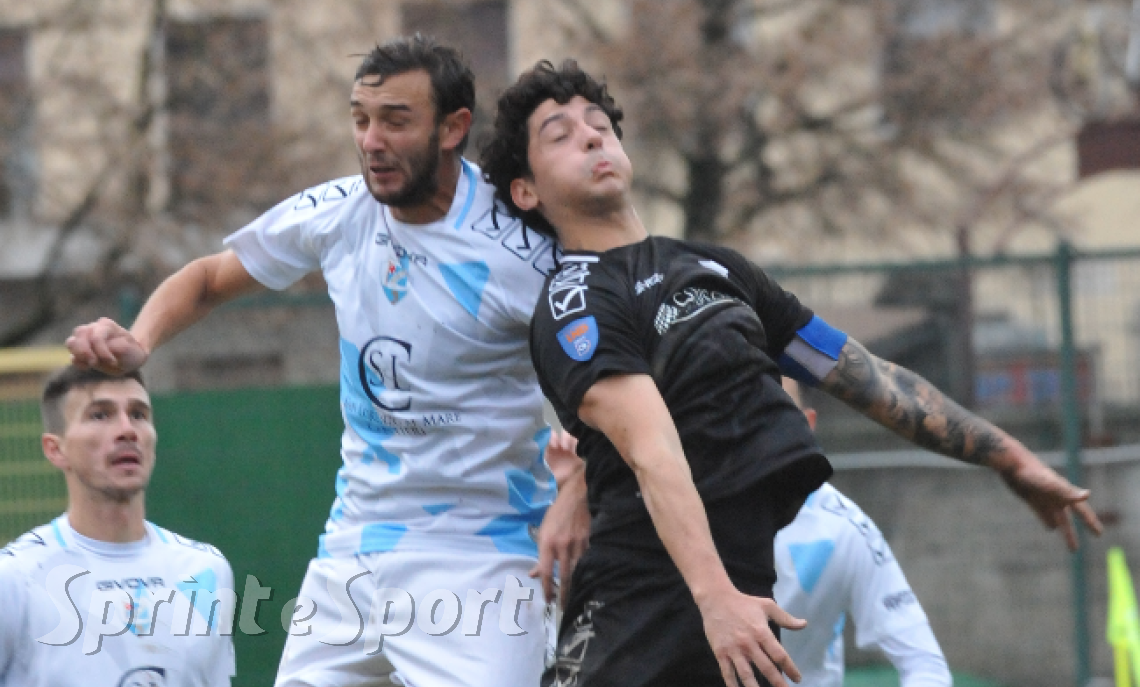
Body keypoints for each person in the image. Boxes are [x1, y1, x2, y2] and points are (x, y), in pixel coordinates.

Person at [480, 59, 1102, 687]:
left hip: (739, 602)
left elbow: (865, 376)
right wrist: (714, 598)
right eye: (560, 134)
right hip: (646, 609)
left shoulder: (716, 267)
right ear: (527, 190)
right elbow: (652, 451)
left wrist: (1009, 456)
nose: (592, 137)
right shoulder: (577, 299)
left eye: (600, 125)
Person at [65, 35, 589, 687]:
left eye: (396, 120)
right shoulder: (339, 212)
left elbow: (610, 394)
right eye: (361, 119)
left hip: (484, 559)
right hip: (355, 547)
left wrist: (579, 487)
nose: (371, 139)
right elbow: (207, 279)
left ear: (453, 128)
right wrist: (140, 340)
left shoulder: (520, 252)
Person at [0, 366, 235, 686]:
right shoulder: (15, 579)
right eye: (100, 415)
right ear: (56, 449)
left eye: (139, 414)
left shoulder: (205, 570)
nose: (127, 430)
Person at [774, 379, 951, 687]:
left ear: (806, 425)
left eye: (776, 411)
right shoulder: (679, 517)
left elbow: (925, 664)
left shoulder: (844, 529)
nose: (759, 428)